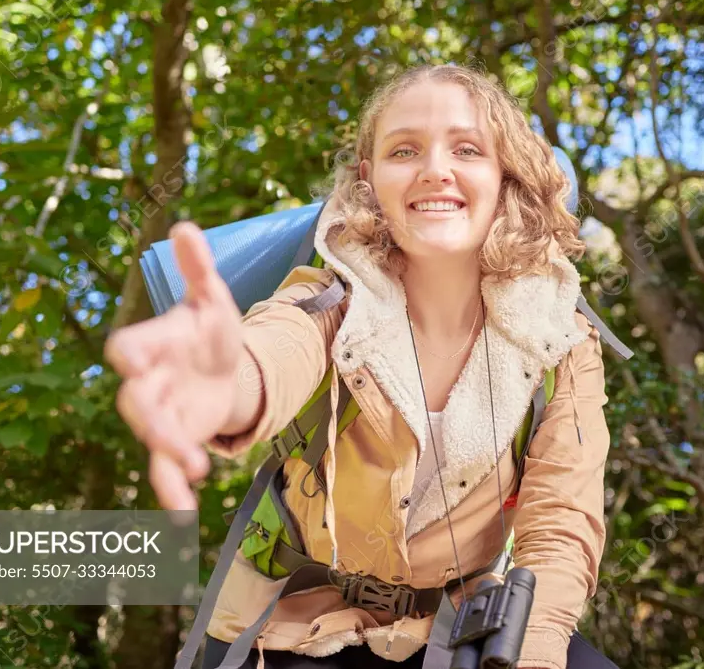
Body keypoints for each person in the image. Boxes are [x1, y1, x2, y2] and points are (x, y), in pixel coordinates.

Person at [105, 64, 619, 669]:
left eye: (467, 148)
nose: (435, 168)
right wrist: (220, 383)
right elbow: (272, 351)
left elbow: (559, 526)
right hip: (296, 623)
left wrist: (529, 656)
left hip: (461, 625)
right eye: (405, 149)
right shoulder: (326, 299)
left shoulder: (561, 336)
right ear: (369, 181)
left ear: (503, 174)